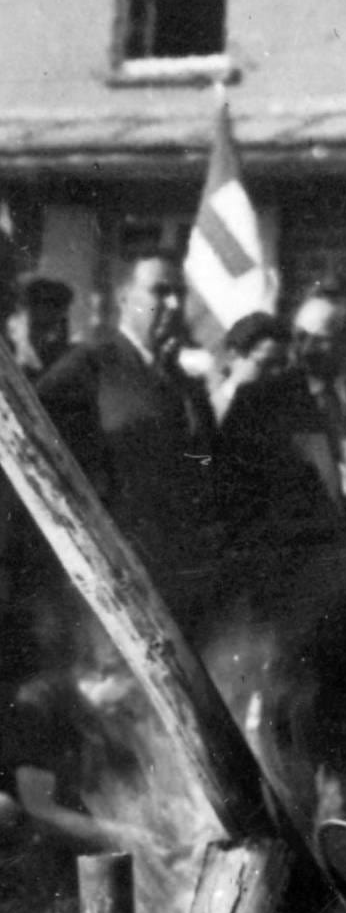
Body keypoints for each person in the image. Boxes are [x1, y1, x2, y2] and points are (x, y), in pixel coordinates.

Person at [216, 285, 346, 794]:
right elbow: (234, 508)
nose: (306, 349)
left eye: (321, 339)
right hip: (294, 616)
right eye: (300, 336)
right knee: (292, 764)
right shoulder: (261, 405)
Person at [37, 253, 216, 634]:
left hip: (177, 575)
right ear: (123, 296)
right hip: (108, 578)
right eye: (159, 291)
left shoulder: (186, 386)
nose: (172, 304)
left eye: (179, 294)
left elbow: (205, 467)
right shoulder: (89, 365)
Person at [210, 311, 289, 424]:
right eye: (266, 364)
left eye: (282, 363)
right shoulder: (211, 413)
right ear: (235, 356)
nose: (276, 373)